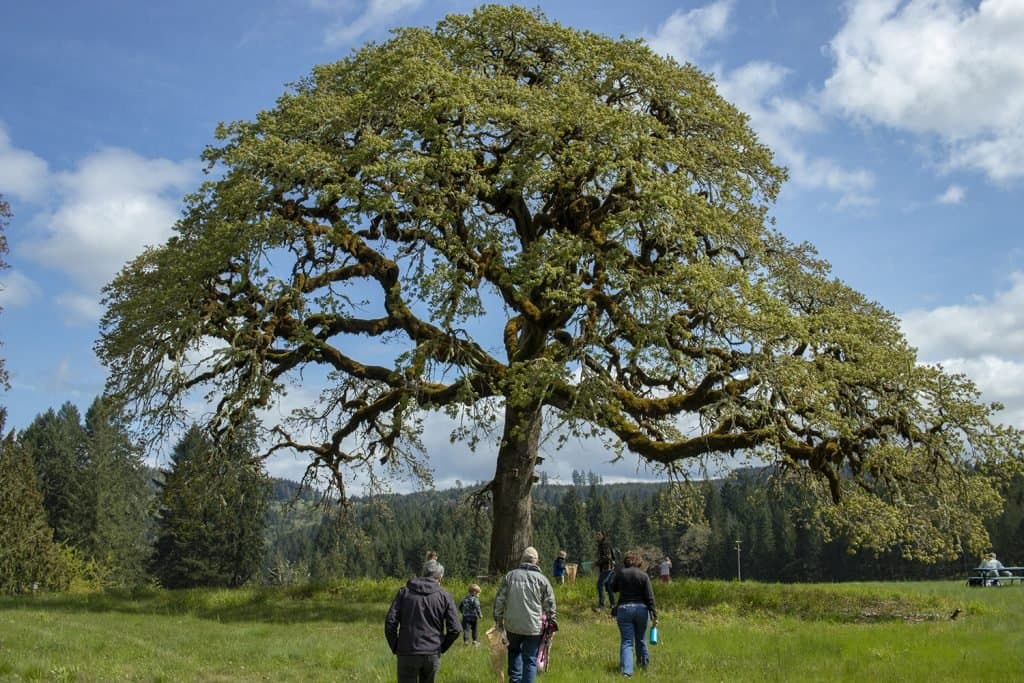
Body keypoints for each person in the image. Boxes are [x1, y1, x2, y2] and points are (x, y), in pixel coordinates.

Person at [385, 559, 461, 683]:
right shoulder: (444, 596)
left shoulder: (404, 592)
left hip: (407, 651)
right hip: (432, 652)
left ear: (423, 573)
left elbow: (390, 622)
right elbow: (455, 629)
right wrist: (441, 647)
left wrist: (395, 646)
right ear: (440, 577)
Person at [494, 546, 557, 683]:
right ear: (536, 561)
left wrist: (498, 620)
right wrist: (552, 622)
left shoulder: (510, 576)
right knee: (530, 660)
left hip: (513, 626)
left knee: (514, 652)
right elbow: (550, 605)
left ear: (522, 560)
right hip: (533, 628)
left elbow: (499, 600)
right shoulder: (542, 580)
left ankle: (515, 680)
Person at [610, 550, 658, 678]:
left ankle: (627, 671)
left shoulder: (621, 573)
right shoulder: (643, 575)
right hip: (642, 610)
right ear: (639, 562)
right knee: (641, 640)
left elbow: (612, 588)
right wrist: (654, 615)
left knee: (627, 641)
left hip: (624, 609)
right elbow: (650, 597)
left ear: (625, 561)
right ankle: (643, 668)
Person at [596, 531, 616, 608]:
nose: (597, 536)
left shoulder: (604, 544)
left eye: (599, 534)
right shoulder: (603, 544)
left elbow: (608, 557)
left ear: (603, 536)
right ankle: (613, 604)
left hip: (607, 568)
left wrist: (597, 563)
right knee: (609, 586)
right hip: (610, 568)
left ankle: (601, 605)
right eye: (597, 535)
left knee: (600, 584)